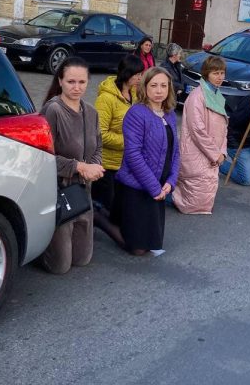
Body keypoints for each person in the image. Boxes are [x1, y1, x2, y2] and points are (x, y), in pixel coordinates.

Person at [39, 57, 104, 274]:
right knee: (60, 266)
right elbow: (43, 157)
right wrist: (79, 167)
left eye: (82, 82)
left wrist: (94, 167)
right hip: (59, 190)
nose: (77, 87)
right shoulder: (53, 110)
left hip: (84, 189)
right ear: (60, 81)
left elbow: (98, 146)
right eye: (71, 82)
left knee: (83, 259)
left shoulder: (91, 112)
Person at [115, 67, 179, 255]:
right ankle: (102, 221)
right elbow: (133, 154)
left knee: (150, 243)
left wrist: (171, 181)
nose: (159, 91)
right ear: (145, 87)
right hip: (138, 184)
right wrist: (154, 187)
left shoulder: (170, 113)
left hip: (160, 184)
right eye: (154, 85)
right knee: (137, 249)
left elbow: (175, 151)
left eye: (163, 86)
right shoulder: (136, 113)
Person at [173, 56, 228, 214]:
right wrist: (215, 153)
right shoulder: (197, 96)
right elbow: (197, 130)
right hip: (197, 151)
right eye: (215, 73)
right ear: (206, 74)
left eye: (222, 73)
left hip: (211, 152)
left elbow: (224, 127)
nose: (219, 77)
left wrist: (222, 151)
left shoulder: (216, 94)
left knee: (202, 194)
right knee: (192, 198)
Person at [92, 54, 144, 217]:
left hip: (126, 161)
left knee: (121, 205)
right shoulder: (106, 98)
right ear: (127, 74)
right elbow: (100, 133)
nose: (140, 78)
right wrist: (129, 142)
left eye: (141, 74)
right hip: (108, 164)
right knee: (107, 208)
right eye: (137, 75)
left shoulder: (134, 93)